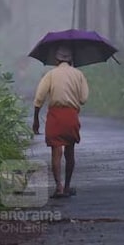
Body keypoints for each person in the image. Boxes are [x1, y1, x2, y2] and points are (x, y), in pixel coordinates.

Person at [32, 45, 89, 198]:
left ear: (56, 59)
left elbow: (39, 98)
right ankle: (68, 186)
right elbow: (83, 99)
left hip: (55, 116)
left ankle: (59, 187)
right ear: (71, 59)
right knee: (70, 153)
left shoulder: (50, 74)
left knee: (56, 153)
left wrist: (36, 119)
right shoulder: (79, 74)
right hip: (71, 116)